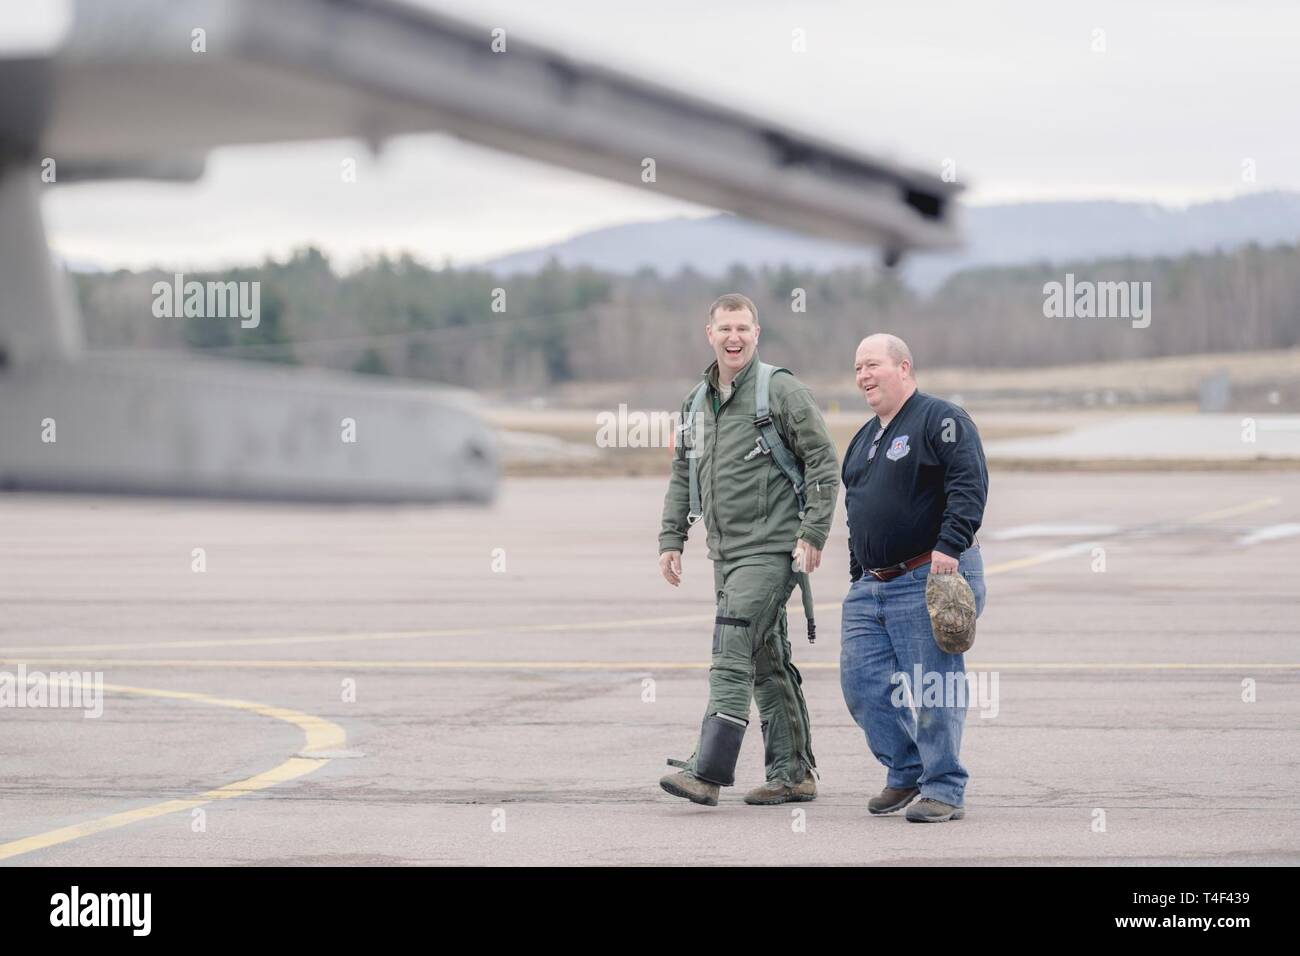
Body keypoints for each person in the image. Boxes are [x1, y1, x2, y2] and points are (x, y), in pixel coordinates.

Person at [657, 293, 839, 806]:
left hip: (773, 550)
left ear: (757, 333)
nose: (733, 338)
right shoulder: (695, 401)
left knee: (731, 647)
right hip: (725, 554)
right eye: (724, 329)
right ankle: (793, 773)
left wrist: (813, 534)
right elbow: (681, 475)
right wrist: (673, 538)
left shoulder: (780, 391)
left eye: (743, 328)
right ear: (709, 333)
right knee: (766, 660)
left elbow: (824, 463)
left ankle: (708, 771)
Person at [839, 333, 988, 823]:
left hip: (929, 574)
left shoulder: (940, 419)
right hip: (872, 586)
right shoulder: (863, 439)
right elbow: (856, 511)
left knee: (932, 686)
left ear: (903, 367)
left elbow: (969, 482)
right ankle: (905, 771)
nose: (863, 375)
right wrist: (858, 572)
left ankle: (944, 787)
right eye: (858, 367)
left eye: (873, 364)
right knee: (861, 684)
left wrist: (951, 545)